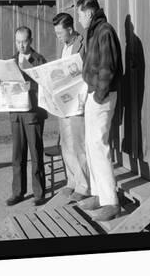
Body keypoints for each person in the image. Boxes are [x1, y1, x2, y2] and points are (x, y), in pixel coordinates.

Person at [76, 0, 123, 222]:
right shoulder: (95, 31)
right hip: (94, 94)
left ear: (88, 12)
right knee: (91, 145)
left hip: (101, 96)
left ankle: (111, 203)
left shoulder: (104, 31)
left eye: (79, 15)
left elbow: (108, 67)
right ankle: (97, 194)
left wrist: (99, 95)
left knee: (99, 144)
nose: (79, 20)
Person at [0, 26, 48, 207]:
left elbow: (46, 85)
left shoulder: (39, 60)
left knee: (35, 153)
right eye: (18, 42)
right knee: (17, 155)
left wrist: (31, 87)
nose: (21, 46)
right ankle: (17, 192)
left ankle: (39, 193)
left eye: (24, 42)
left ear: (31, 41)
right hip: (16, 113)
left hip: (33, 114)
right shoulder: (10, 61)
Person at [53, 12, 90, 201]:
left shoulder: (82, 43)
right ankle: (71, 181)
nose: (58, 37)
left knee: (78, 145)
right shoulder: (65, 47)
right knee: (65, 144)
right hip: (63, 102)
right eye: (56, 34)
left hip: (77, 102)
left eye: (60, 33)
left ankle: (84, 186)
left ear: (70, 29)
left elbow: (84, 71)